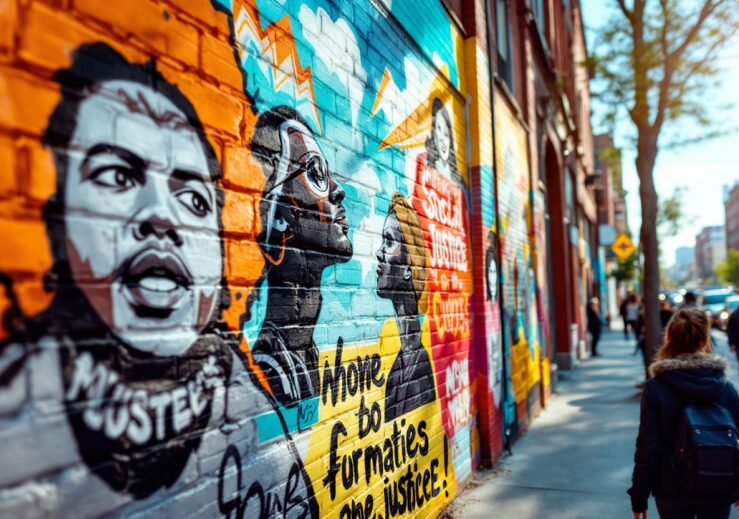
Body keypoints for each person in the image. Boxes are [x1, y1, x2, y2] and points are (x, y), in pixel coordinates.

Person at [0, 43, 317, 517]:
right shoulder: (20, 413)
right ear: (55, 221)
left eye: (192, 198)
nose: (161, 218)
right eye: (117, 176)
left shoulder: (240, 392)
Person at [247, 105, 353, 412]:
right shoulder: (268, 376)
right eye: (317, 173)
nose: (339, 190)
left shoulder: (305, 356)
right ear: (279, 222)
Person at [628, 309, 739, 519]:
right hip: (718, 484)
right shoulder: (726, 389)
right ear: (704, 340)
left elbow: (648, 446)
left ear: (668, 338)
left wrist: (639, 496)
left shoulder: (656, 388)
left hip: (671, 488)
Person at [376, 193, 436, 421]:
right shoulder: (399, 369)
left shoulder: (417, 367)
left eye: (389, 242)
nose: (378, 252)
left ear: (409, 268)